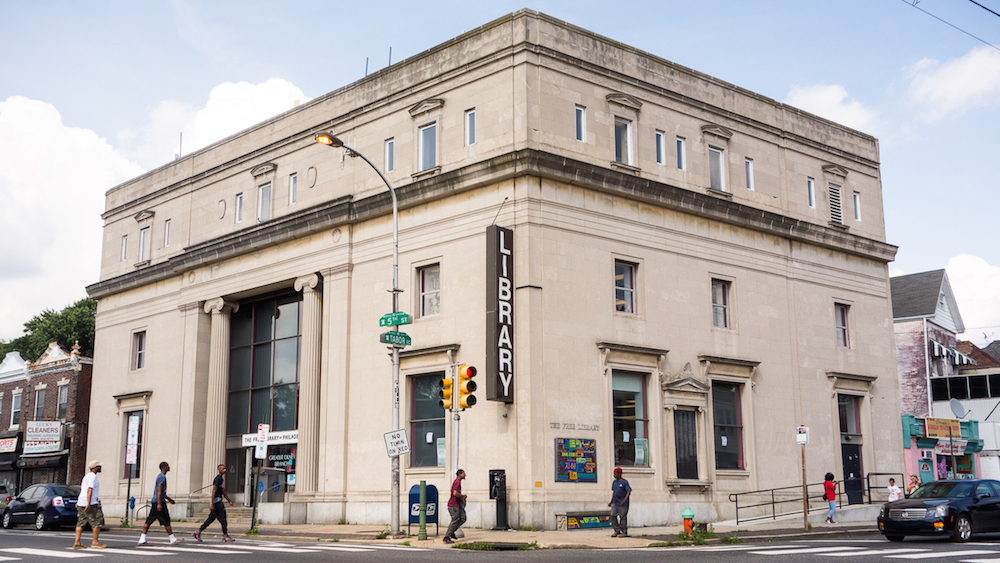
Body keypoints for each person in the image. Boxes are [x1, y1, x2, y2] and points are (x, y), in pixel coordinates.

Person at [138, 462, 182, 545]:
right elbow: (159, 490)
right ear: (164, 467)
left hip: (156, 501)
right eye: (168, 465)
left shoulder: (160, 476)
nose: (169, 467)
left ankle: (142, 539)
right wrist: (159, 503)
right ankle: (172, 539)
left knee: (149, 520)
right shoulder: (162, 476)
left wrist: (169, 499)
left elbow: (161, 491)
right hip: (159, 502)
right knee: (166, 520)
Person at [193, 464, 235, 543]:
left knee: (211, 518)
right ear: (219, 470)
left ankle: (198, 532)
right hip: (217, 502)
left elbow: (223, 492)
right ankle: (225, 535)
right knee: (223, 519)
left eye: (225, 468)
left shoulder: (221, 479)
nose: (225, 470)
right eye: (223, 469)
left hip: (218, 500)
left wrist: (229, 501)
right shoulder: (217, 479)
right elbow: (214, 491)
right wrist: (212, 503)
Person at [72, 460, 106, 549]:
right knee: (97, 522)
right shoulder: (92, 477)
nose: (100, 467)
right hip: (90, 503)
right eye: (99, 466)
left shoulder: (86, 476)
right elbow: (89, 490)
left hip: (80, 502)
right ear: (95, 468)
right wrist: (88, 503)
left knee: (81, 522)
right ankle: (95, 542)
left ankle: (77, 542)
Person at [442, 469, 467, 544]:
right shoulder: (457, 482)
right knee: (455, 520)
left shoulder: (457, 482)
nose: (465, 475)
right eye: (464, 473)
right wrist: (462, 496)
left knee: (463, 518)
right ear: (460, 474)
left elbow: (452, 490)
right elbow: (455, 493)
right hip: (453, 505)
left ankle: (452, 532)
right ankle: (447, 537)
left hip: (458, 504)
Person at [608, 467, 631, 537]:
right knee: (612, 515)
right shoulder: (614, 482)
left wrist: (624, 500)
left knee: (623, 517)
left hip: (623, 504)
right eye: (614, 473)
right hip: (615, 502)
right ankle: (616, 530)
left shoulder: (624, 482)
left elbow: (628, 492)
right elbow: (614, 493)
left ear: (619, 474)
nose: (614, 475)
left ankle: (624, 532)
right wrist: (611, 501)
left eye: (615, 474)